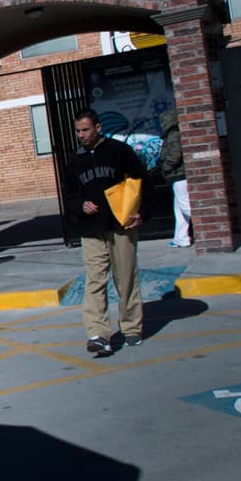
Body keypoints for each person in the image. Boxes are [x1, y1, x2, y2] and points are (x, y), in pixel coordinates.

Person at [63, 108, 147, 355]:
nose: (81, 135)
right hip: (91, 229)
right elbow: (69, 194)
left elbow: (141, 181)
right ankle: (98, 333)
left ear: (98, 128)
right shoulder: (75, 160)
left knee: (125, 278)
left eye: (85, 130)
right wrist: (80, 205)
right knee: (95, 280)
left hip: (120, 225)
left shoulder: (119, 152)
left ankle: (131, 327)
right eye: (78, 131)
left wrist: (142, 212)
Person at [159, 108, 192, 248]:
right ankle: (181, 238)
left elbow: (174, 155)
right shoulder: (174, 133)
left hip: (179, 175)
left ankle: (211, 225)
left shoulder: (173, 134)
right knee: (179, 208)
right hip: (178, 175)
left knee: (185, 206)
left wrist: (165, 167)